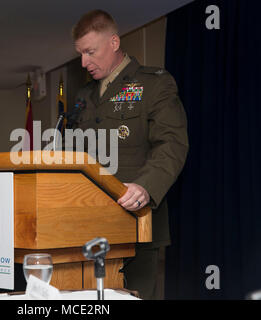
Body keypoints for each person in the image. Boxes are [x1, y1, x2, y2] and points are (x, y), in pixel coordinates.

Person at [71, 9, 189, 299]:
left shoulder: (154, 84)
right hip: (85, 223)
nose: (84, 62)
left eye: (90, 52)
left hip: (136, 222)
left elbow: (172, 143)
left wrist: (146, 186)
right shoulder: (84, 96)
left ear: (113, 42)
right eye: (80, 54)